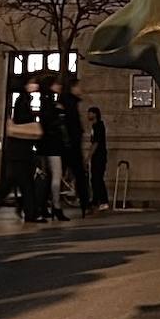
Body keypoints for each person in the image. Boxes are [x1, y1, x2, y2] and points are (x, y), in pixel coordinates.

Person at [0, 76, 42, 222]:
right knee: (20, 183)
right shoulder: (23, 100)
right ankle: (27, 213)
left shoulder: (24, 99)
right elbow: (22, 122)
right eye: (32, 82)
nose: (35, 85)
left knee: (19, 182)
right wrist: (34, 125)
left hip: (20, 150)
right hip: (20, 150)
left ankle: (28, 212)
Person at [38, 75, 71, 221]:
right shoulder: (52, 104)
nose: (59, 86)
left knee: (49, 177)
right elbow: (53, 124)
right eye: (57, 84)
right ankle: (56, 207)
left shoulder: (45, 101)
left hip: (46, 144)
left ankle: (45, 206)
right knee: (56, 176)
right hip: (53, 145)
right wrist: (60, 113)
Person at [62, 77, 92, 215]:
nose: (81, 89)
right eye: (79, 86)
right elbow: (70, 125)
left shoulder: (69, 102)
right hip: (70, 146)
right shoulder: (69, 103)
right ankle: (85, 204)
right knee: (79, 175)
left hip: (69, 145)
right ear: (72, 88)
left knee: (58, 175)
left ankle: (85, 204)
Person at [88, 107, 110, 211]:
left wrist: (89, 156)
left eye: (90, 113)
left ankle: (104, 201)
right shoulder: (94, 126)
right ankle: (95, 200)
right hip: (96, 156)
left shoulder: (99, 126)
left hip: (99, 156)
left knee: (98, 178)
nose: (88, 115)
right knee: (94, 179)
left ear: (95, 114)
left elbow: (96, 143)